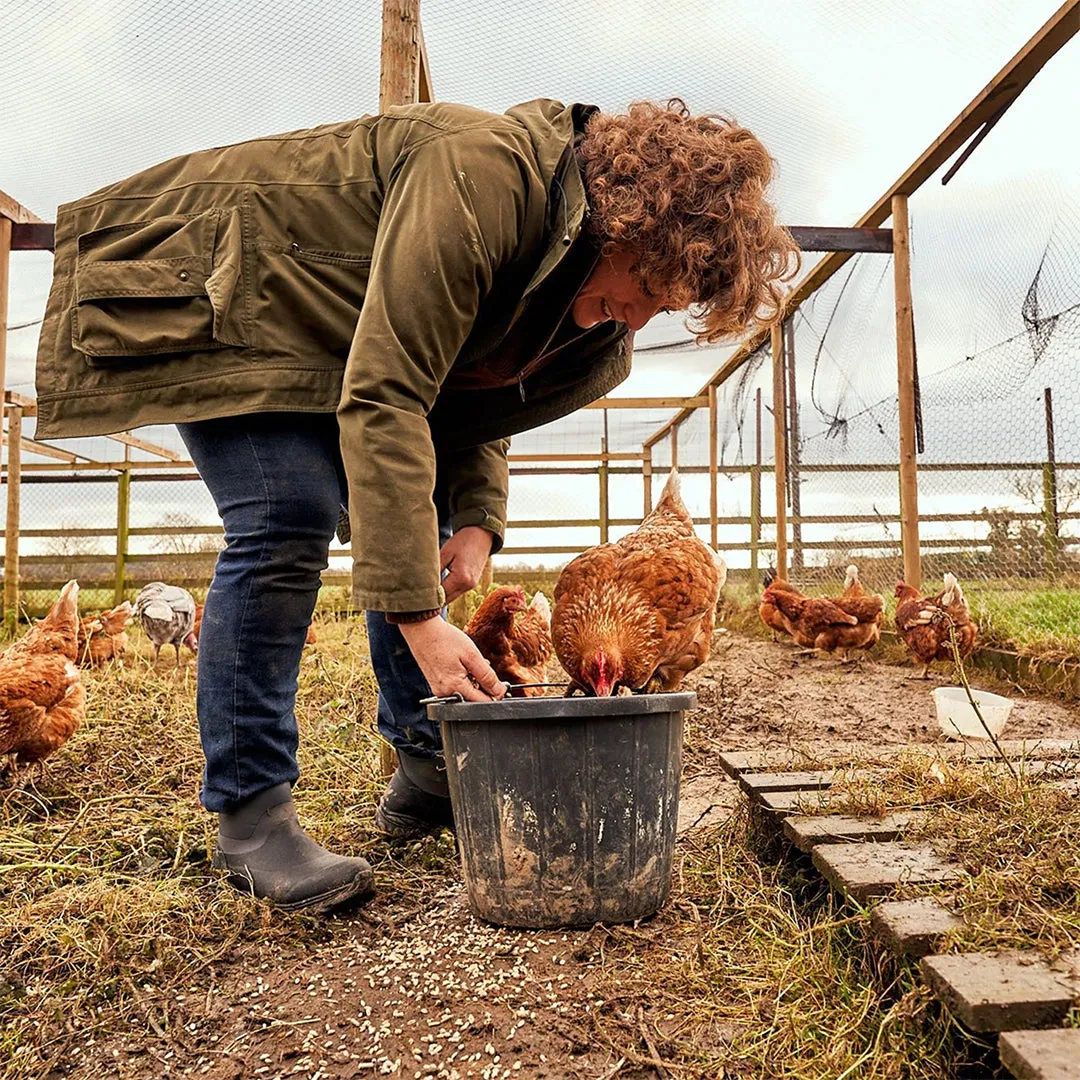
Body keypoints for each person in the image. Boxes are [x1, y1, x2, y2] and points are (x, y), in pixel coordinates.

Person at [34, 97, 799, 912]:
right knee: (286, 514)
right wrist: (416, 617)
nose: (641, 317)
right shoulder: (481, 178)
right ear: (621, 219)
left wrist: (477, 519)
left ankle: (430, 767)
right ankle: (253, 817)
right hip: (232, 286)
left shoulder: (575, 281)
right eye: (644, 283)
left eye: (665, 304)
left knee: (420, 529)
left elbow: (477, 387)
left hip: (332, 334)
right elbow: (392, 389)